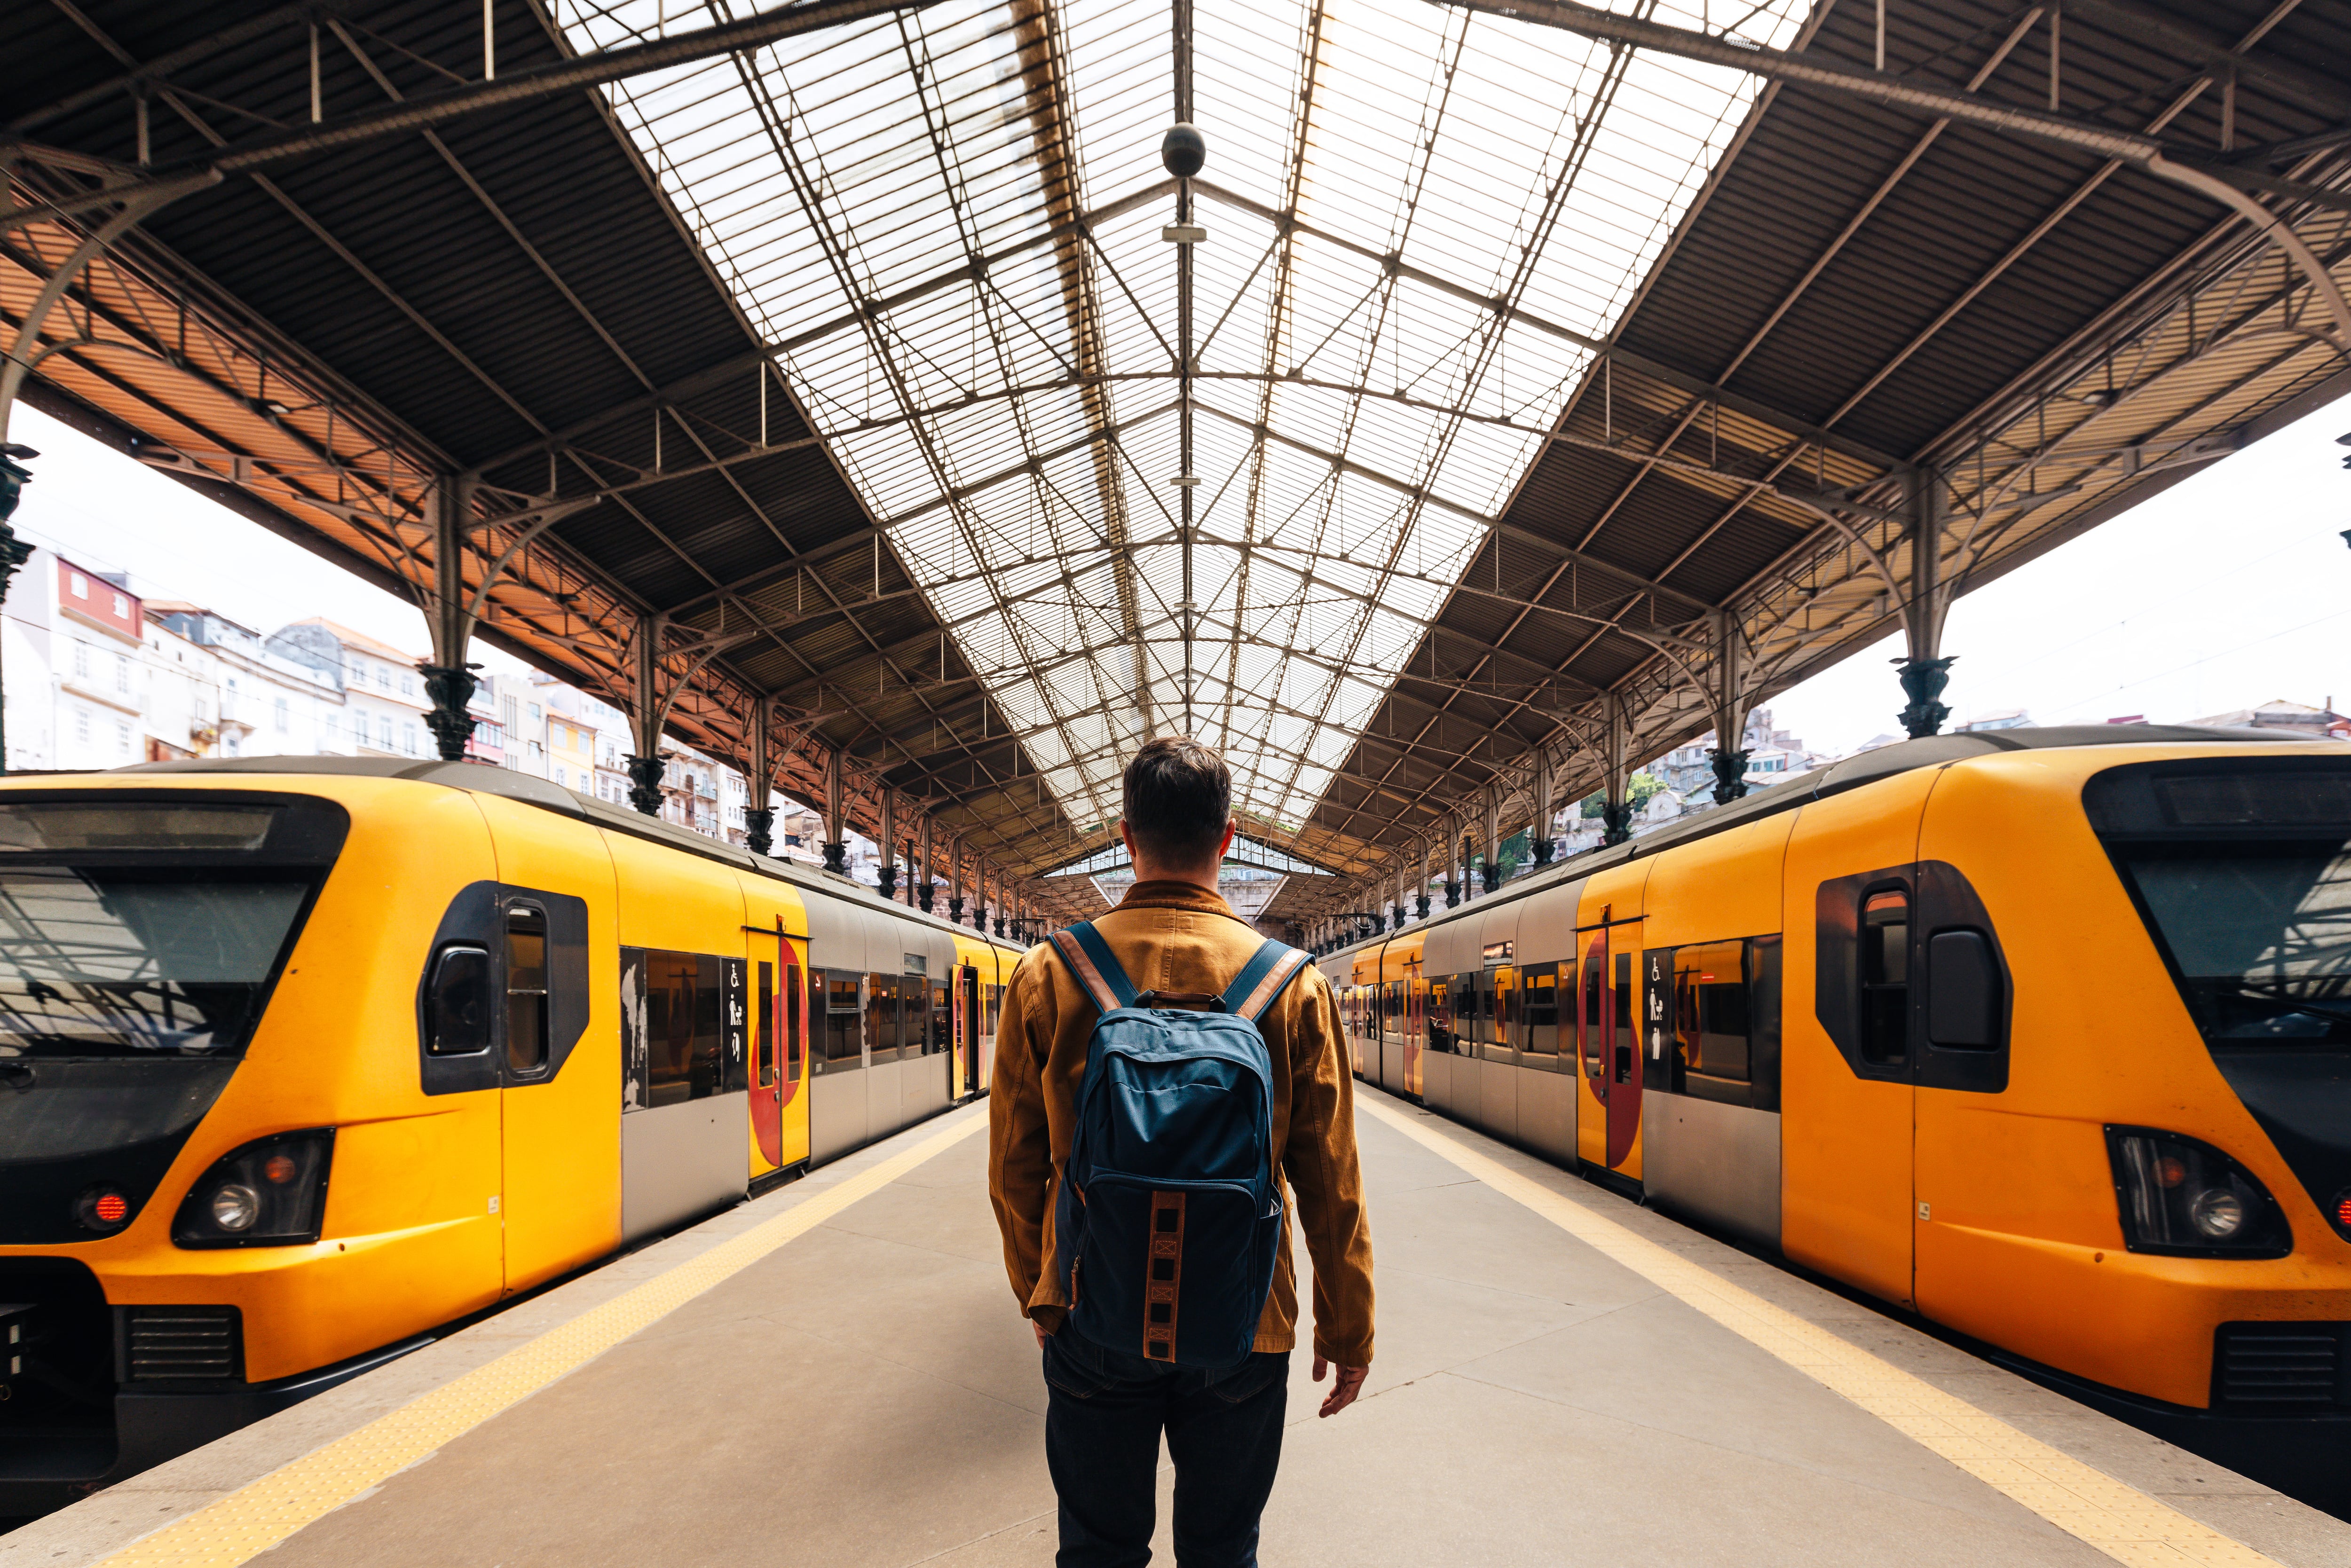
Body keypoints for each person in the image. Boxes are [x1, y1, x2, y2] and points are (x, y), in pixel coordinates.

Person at [988, 735, 1375, 1568]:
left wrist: (1043, 1294)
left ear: (1127, 837)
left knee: (1098, 1549)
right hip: (1246, 1321)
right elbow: (1331, 1182)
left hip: (1093, 1307)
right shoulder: (1294, 983)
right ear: (1228, 837)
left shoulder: (1049, 974)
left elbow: (1014, 1172)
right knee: (1223, 1550)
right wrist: (1349, 1327)